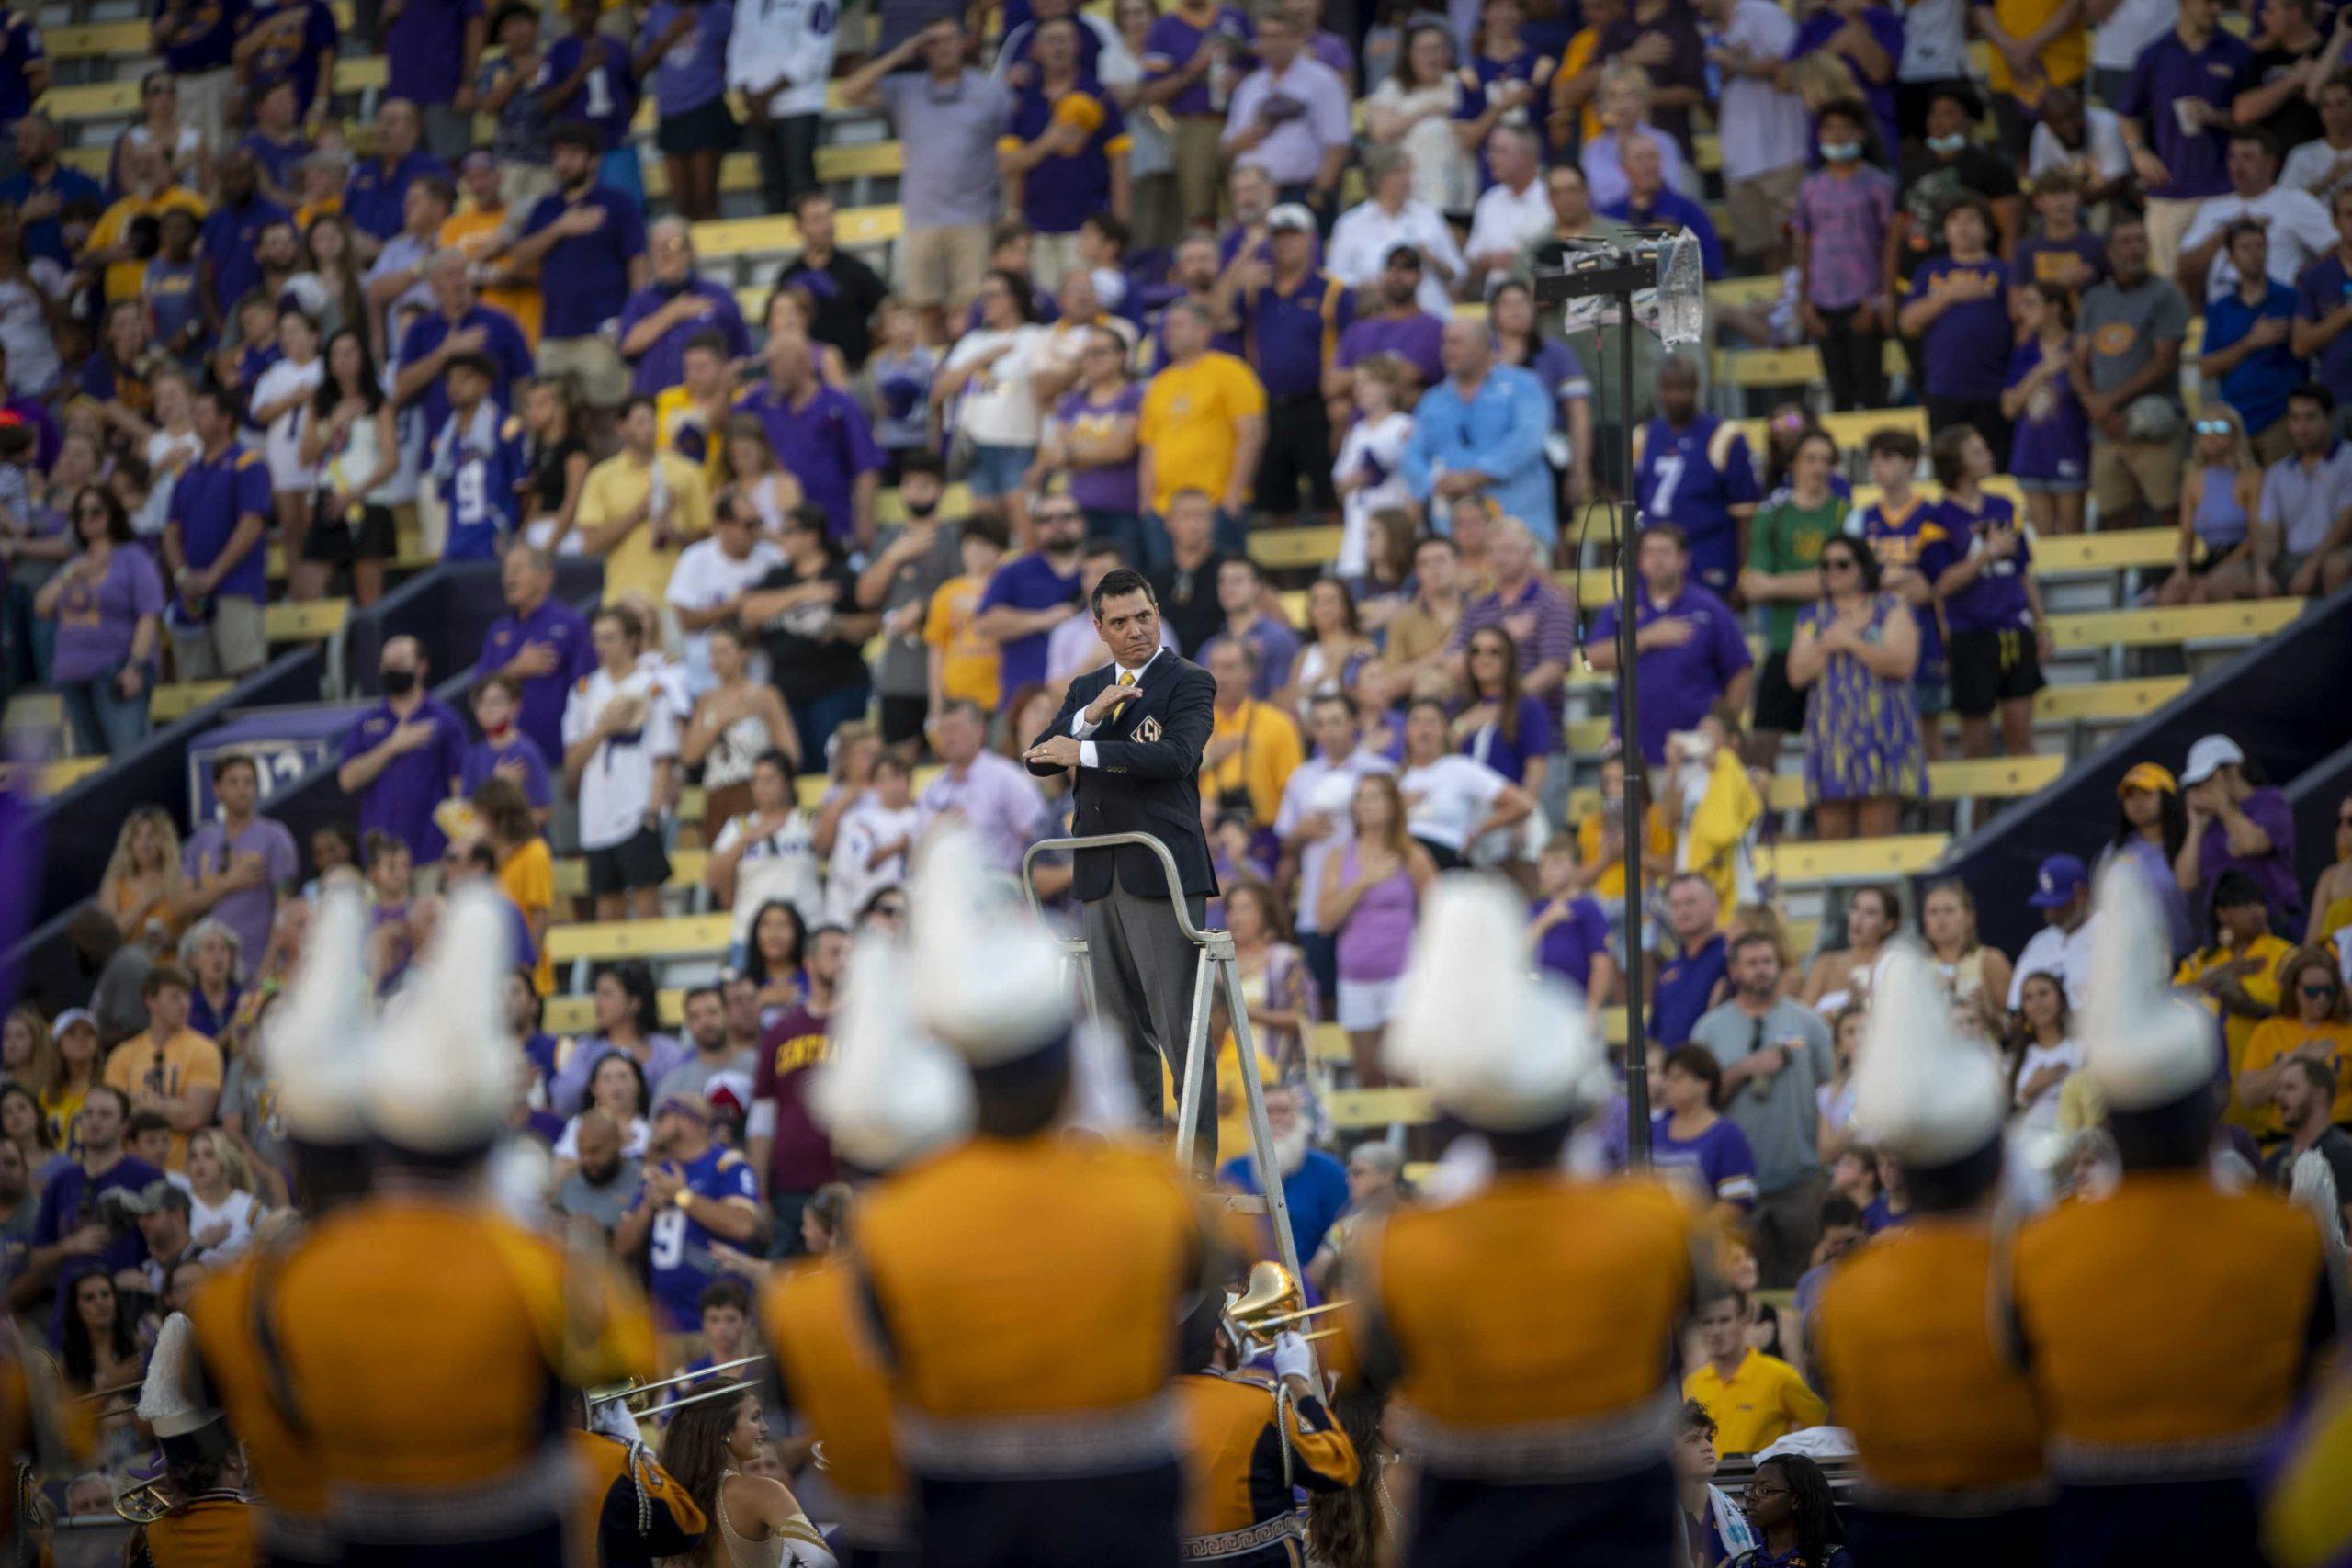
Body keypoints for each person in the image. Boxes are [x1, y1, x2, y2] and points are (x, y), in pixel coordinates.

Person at [1329, 879, 1698, 1560]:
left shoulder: (1401, 1246)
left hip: (1470, 1524)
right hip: (1621, 1521)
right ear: (1574, 1105)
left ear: (1458, 1117)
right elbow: (1676, 1340)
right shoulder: (1658, 1219)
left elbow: (1373, 1364)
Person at [2007, 863, 2333, 1562]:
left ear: (2112, 1124)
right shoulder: (2285, 1234)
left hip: (2091, 1535)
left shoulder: (2040, 1248)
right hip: (2248, 1532)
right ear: (2204, 1113)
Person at [1020, 569, 1219, 1163]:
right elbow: (1038, 758)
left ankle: (1199, 1167)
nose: (1136, 630)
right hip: (1100, 874)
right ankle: (1142, 1165)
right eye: (1122, 621)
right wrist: (1089, 715)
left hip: (1160, 872)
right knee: (1118, 1031)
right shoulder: (1087, 686)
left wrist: (1084, 748)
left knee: (1180, 1027)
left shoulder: (1189, 679)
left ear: (1157, 612)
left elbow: (1177, 755)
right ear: (1099, 627)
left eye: (1144, 616)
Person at [1692, 933, 1838, 1286]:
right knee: (1742, 1286)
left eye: (1768, 962)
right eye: (1752, 963)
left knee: (1806, 1281)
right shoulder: (1710, 1029)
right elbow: (1698, 1105)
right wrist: (1743, 1070)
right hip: (1736, 1188)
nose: (1762, 971)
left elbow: (1833, 1093)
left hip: (1800, 1181)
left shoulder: (1809, 1025)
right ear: (1734, 971)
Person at [1926, 424, 2054, 763]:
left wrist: (2041, 626)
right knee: (1977, 746)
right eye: (1977, 451)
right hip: (1971, 634)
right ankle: (1982, 818)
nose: (1988, 456)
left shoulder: (2003, 505)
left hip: (2014, 626)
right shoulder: (1937, 517)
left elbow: (2023, 572)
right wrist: (1986, 554)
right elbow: (1940, 584)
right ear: (1956, 463)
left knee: (2021, 736)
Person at [1583, 527, 1755, 768]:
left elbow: (1741, 670)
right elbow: (1590, 660)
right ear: (1640, 561)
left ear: (1684, 559)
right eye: (1649, 553)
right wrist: (1646, 637)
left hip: (1694, 750)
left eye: (1665, 552)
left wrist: (1723, 725)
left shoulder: (1709, 608)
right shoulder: (1622, 607)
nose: (1657, 560)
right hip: (1635, 750)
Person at [2116, 0, 2252, 281]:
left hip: (2223, 188)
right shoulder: (2154, 55)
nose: (2214, 10)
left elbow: (2254, 119)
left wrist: (2218, 117)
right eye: (2206, 3)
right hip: (2170, 190)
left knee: (2226, 278)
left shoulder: (2237, 51)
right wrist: (2138, 153)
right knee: (2168, 280)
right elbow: (2128, 116)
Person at [1402, 316, 1555, 552]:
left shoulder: (1523, 385)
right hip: (1454, 535)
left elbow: (1529, 438)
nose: (1448, 350)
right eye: (1445, 343)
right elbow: (1412, 454)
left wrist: (1476, 476)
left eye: (1457, 343)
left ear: (1484, 346)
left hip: (1519, 523)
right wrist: (1433, 482)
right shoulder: (1433, 399)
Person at [739, 504, 876, 759]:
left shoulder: (843, 575)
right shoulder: (778, 577)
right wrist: (802, 593)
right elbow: (748, 611)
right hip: (787, 686)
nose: (782, 538)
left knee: (831, 759)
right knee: (793, 762)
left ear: (812, 536)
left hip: (836, 684)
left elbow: (872, 624)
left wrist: (838, 626)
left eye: (789, 531)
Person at [37, 486, 164, 758]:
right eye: (80, 513)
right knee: (89, 764)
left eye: (96, 511)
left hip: (116, 671)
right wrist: (70, 574)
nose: (87, 518)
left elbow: (148, 616)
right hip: (72, 675)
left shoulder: (134, 558)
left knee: (127, 756)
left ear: (112, 514)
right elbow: (42, 607)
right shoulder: (74, 565)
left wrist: (136, 668)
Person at [159, 387, 269, 680]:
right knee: (196, 686)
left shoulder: (248, 464)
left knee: (244, 677)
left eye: (203, 412)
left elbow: (252, 525)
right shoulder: (185, 471)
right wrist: (182, 575)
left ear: (225, 420)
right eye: (194, 412)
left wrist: (214, 574)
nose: (195, 418)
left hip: (236, 588)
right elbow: (170, 531)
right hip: (192, 593)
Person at [2177, 869, 2296, 1136]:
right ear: (2222, 914)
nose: (2256, 911)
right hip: (2210, 1097)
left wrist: (2238, 996)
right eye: (2244, 904)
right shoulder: (2203, 960)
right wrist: (2224, 972)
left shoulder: (2283, 954)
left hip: (2265, 1092)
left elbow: (2290, 1008)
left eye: (2260, 903)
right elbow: (2170, 1001)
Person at [1897, 195, 2016, 455]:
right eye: (1955, 221)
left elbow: (2021, 323)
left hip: (1994, 389)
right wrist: (1948, 296)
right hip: (1944, 388)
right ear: (1946, 230)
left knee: (1994, 467)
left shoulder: (2004, 272)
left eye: (1972, 221)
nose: (1963, 227)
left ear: (1987, 230)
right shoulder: (1930, 270)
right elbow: (1907, 322)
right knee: (1948, 467)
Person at [336, 636, 469, 866]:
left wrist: (461, 841)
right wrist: (392, 746)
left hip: (433, 852)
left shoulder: (444, 720)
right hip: (382, 857)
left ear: (422, 667)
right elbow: (348, 780)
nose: (392, 669)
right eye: (387, 664)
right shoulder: (367, 723)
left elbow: (460, 787)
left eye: (400, 663)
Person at [1633, 356, 1758, 598]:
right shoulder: (1643, 436)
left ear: (1697, 388)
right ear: (1659, 391)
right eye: (1669, 388)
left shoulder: (1724, 435)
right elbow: (1635, 509)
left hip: (1708, 553)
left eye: (1684, 388)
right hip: (1656, 558)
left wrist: (1742, 572)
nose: (1677, 397)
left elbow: (1745, 513)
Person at [577, 394, 714, 606]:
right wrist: (640, 511)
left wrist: (676, 535)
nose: (649, 428)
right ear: (621, 427)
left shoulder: (686, 471)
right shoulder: (601, 477)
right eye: (640, 421)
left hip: (678, 599)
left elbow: (706, 537)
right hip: (623, 597)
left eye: (652, 420)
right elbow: (591, 543)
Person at [297, 328, 401, 605]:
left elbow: (391, 461)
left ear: (362, 357)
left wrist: (352, 495)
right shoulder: (318, 404)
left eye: (349, 353)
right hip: (328, 501)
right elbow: (305, 456)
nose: (342, 360)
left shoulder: (378, 403)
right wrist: (334, 422)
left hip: (367, 502)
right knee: (308, 594)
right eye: (335, 354)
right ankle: (316, 649)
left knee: (370, 598)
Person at [2177, 128, 2336, 303]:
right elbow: (2186, 268)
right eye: (2232, 156)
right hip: (2223, 312)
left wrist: (2305, 282)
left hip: (2277, 309)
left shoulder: (2294, 201)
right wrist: (2228, 232)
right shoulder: (2212, 207)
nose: (2237, 165)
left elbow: (2338, 249)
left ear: (2269, 163)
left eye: (2247, 157)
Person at [2199, 222, 2306, 460]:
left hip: (2280, 417)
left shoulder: (2291, 299)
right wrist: (2250, 343)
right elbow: (2207, 367)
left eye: (2259, 246)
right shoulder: (2220, 308)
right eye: (2245, 247)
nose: (2253, 253)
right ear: (2231, 257)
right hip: (2235, 420)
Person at [2177, 732, 2300, 926]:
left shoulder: (2270, 801)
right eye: (2196, 785)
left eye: (2208, 779)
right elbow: (2186, 882)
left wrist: (2224, 807)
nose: (2203, 789)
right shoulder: (2208, 821)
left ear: (2233, 769)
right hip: (2224, 934)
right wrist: (2195, 827)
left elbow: (2253, 844)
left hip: (2272, 923)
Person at [2236, 946, 2352, 1141]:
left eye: (2328, 990)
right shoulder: (2269, 1030)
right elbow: (2249, 1097)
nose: (2321, 999)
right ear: (2294, 989)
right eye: (2312, 991)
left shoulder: (2347, 1031)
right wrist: (2295, 1060)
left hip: (2342, 1140)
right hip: (2283, 1142)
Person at [2255, 385, 2352, 597]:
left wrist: (2313, 564)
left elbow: (2347, 521)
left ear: (2329, 418)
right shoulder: (2278, 472)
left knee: (2335, 567)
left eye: (2310, 418)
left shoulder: (2348, 459)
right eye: (2295, 419)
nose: (2302, 427)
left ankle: (2337, 630)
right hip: (2292, 557)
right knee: (2224, 581)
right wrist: (2261, 570)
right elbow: (2268, 530)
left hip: (2337, 551)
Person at [2260, 1059, 2352, 1224]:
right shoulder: (2276, 1159)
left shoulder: (2344, 1156)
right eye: (2280, 1088)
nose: (2279, 1095)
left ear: (2319, 1093)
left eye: (2290, 1087)